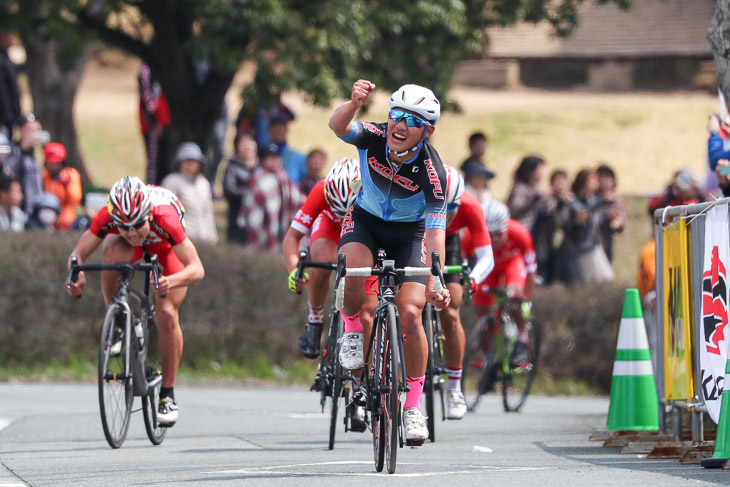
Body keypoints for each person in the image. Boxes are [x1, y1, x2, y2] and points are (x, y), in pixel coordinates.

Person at [328, 79, 450, 444]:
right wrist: (352, 104)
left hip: (409, 235)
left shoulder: (433, 172)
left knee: (411, 313)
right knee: (354, 271)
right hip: (364, 222)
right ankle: (352, 329)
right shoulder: (372, 135)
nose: (399, 125)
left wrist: (435, 278)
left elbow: (434, 231)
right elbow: (337, 127)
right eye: (396, 114)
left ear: (426, 130)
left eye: (411, 121)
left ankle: (412, 407)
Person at [66, 176, 205, 427]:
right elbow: (78, 254)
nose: (131, 232)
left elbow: (196, 269)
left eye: (137, 224)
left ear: (148, 214)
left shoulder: (165, 217)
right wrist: (76, 276)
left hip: (166, 250)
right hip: (134, 252)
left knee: (166, 312)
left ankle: (167, 394)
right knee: (111, 252)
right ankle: (118, 319)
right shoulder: (110, 214)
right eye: (124, 226)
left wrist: (170, 282)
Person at [282, 157, 371, 431]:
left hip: (365, 231)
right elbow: (292, 239)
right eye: (337, 208)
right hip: (330, 233)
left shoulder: (372, 189)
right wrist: (295, 271)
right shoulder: (321, 189)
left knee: (367, 312)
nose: (343, 213)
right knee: (319, 263)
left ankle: (362, 385)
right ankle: (315, 319)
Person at [440, 165, 494, 419]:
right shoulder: (415, 197)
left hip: (449, 242)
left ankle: (454, 387)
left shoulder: (471, 206)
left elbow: (486, 257)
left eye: (451, 210)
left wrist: (472, 278)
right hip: (417, 237)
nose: (446, 215)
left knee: (451, 309)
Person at [463, 200, 536, 368]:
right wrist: (464, 291)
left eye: (498, 233)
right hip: (487, 268)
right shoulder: (470, 235)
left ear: (506, 226)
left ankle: (522, 337)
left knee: (514, 297)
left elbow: (531, 270)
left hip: (512, 265)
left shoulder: (520, 233)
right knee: (481, 309)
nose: (494, 238)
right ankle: (487, 358)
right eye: (489, 233)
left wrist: (526, 298)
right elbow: (461, 263)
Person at [238, 143, 303, 252]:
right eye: (269, 157)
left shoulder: (283, 177)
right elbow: (250, 206)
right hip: (262, 226)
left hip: (282, 228)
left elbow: (296, 198)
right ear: (262, 160)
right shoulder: (257, 179)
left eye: (275, 157)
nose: (273, 160)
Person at [558, 169, 614, 284]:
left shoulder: (592, 199)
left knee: (605, 277)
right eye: (592, 181)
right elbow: (564, 224)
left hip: (593, 245)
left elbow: (594, 215)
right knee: (585, 282)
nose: (596, 185)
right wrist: (575, 223)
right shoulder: (571, 201)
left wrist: (610, 217)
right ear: (583, 182)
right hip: (578, 248)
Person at [161, 142, 219, 244]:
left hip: (204, 238)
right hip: (183, 239)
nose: (191, 163)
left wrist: (212, 234)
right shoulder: (171, 181)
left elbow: (207, 211)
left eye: (194, 160)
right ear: (180, 162)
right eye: (187, 160)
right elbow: (167, 212)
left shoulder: (203, 183)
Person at [533, 169, 573, 284]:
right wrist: (561, 201)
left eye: (563, 181)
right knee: (543, 268)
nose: (561, 184)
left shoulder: (571, 202)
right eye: (557, 181)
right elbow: (545, 211)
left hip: (560, 244)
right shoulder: (547, 199)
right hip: (543, 241)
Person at [5, 113, 45, 216]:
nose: (35, 134)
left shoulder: (38, 153)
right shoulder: (11, 150)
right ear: (20, 131)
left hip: (37, 209)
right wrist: (23, 147)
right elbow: (9, 174)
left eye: (37, 130)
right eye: (30, 130)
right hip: (19, 210)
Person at [138, 64, 171, 185]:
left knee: (163, 160)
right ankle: (152, 188)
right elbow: (147, 99)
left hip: (164, 121)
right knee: (154, 163)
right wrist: (155, 122)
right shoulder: (146, 71)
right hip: (154, 126)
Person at [223, 131, 258, 244]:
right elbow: (229, 190)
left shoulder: (261, 166)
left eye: (250, 142)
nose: (247, 146)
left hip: (259, 218)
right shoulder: (232, 167)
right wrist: (251, 195)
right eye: (243, 143)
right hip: (237, 217)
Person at [41, 142, 82, 231]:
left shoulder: (71, 174)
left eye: (57, 163)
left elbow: (76, 198)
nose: (54, 166)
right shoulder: (44, 176)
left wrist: (66, 186)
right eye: (51, 163)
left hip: (67, 219)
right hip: (48, 218)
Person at [594, 163, 626, 263]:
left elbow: (620, 225)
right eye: (601, 179)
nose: (604, 182)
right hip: (591, 243)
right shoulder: (591, 198)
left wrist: (618, 222)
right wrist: (607, 215)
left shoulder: (617, 200)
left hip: (607, 243)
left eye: (607, 179)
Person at [506, 155, 546, 232]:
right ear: (530, 171)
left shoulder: (536, 187)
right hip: (519, 230)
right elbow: (516, 208)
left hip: (532, 229)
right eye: (540, 169)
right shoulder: (519, 188)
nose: (542, 173)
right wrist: (535, 198)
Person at [267, 115, 307, 184]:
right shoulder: (263, 155)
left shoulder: (298, 157)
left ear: (287, 130)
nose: (278, 131)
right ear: (269, 130)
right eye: (275, 128)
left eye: (281, 128)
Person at [0, 31, 20, 138]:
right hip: (4, 116)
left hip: (10, 115)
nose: (12, 38)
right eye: (8, 35)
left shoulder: (6, 57)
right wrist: (6, 114)